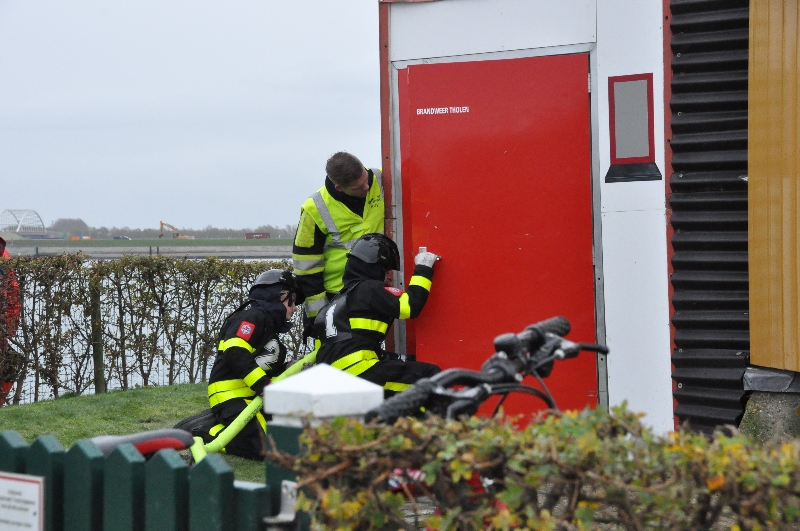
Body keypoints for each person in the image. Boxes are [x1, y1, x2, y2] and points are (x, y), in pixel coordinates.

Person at [187, 269, 303, 460]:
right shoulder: (253, 317)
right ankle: (205, 431)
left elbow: (258, 364)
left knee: (281, 440)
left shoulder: (267, 326)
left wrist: (286, 370)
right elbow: (236, 351)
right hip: (230, 396)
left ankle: (223, 426)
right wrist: (263, 386)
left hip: (250, 398)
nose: (295, 308)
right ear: (280, 296)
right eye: (293, 301)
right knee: (263, 449)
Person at [314, 233, 441, 396]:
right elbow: (409, 306)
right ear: (375, 268)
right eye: (386, 271)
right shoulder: (368, 288)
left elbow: (354, 345)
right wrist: (423, 268)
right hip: (359, 372)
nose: (389, 277)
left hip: (332, 381)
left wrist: (404, 359)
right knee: (432, 377)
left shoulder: (335, 303)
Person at [292, 151, 385, 324]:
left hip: (376, 290)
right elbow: (306, 267)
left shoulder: (381, 178)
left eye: (366, 179)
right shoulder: (314, 209)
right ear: (339, 188)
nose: (367, 187)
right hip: (338, 297)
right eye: (358, 187)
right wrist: (319, 318)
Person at [0, 237, 21, 407]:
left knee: (9, 364)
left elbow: (13, 291)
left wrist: (11, 325)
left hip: (2, 326)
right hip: (3, 326)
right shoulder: (4, 255)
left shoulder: (4, 257)